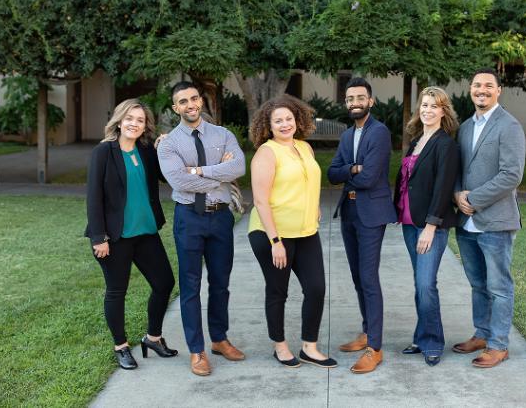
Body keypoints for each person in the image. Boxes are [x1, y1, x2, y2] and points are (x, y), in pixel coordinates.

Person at [157, 81, 246, 377]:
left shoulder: (223, 134)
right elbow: (179, 182)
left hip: (221, 218)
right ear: (176, 108)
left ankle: (219, 339)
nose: (190, 104)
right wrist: (218, 175)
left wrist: (197, 170)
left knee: (221, 283)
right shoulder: (169, 143)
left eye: (194, 98)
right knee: (191, 286)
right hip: (189, 219)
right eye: (182, 101)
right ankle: (197, 351)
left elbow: (239, 168)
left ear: (201, 101)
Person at [85, 99, 177, 370]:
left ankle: (153, 338)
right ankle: (121, 346)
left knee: (164, 283)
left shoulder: (146, 150)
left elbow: (166, 175)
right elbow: (93, 198)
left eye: (140, 120)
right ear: (119, 120)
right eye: (129, 118)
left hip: (146, 232)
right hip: (115, 236)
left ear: (145, 125)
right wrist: (98, 237)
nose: (134, 123)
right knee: (117, 291)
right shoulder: (103, 152)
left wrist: (167, 147)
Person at [247, 95, 337, 369]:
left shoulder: (305, 148)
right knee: (278, 291)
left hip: (306, 231)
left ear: (297, 120)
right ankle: (281, 346)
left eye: (288, 118)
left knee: (316, 288)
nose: (285, 124)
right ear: (269, 125)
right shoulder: (267, 152)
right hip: (272, 234)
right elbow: (261, 200)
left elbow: (309, 182)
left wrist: (315, 207)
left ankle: (310, 347)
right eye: (278, 121)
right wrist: (275, 241)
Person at [453, 69, 526, 368]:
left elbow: (512, 174)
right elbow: (457, 169)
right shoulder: (466, 127)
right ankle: (482, 334)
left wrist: (473, 199)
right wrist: (457, 195)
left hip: (495, 221)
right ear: (470, 90)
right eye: (476, 86)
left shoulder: (509, 126)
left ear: (499, 90)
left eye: (487, 86)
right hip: (466, 222)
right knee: (478, 284)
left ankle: (498, 344)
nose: (481, 90)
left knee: (499, 286)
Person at [327, 77, 397, 374]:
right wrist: (353, 168)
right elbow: (331, 174)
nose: (355, 102)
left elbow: (369, 178)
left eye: (360, 97)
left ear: (371, 101)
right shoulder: (346, 136)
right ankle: (367, 331)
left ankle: (375, 348)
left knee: (368, 278)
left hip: (371, 214)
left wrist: (350, 171)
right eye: (350, 98)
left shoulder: (379, 133)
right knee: (358, 277)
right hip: (350, 211)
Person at [393, 86, 460, 367]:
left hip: (429, 225)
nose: (427, 110)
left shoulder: (445, 144)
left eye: (434, 106)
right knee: (420, 284)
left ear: (443, 112)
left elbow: (444, 188)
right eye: (424, 105)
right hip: (410, 222)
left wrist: (431, 227)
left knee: (425, 284)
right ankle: (422, 337)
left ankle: (433, 341)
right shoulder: (417, 139)